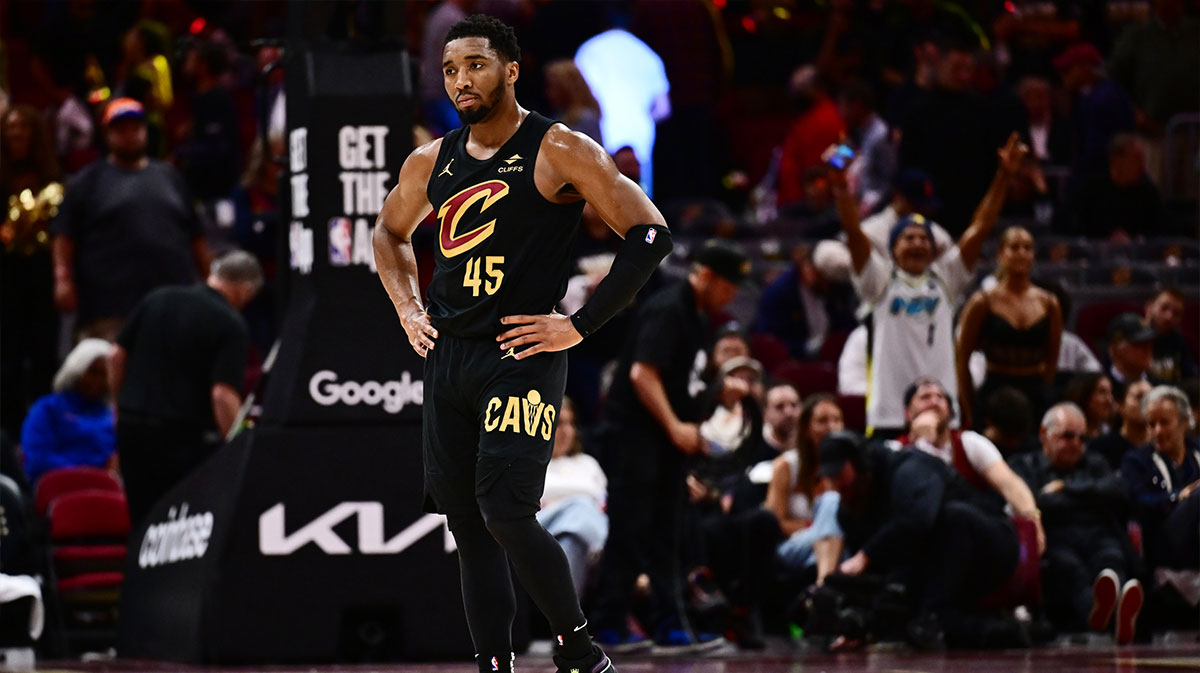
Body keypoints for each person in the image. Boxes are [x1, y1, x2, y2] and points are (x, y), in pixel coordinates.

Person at [371, 15, 673, 673]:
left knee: (506, 510)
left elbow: (650, 233)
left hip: (524, 351)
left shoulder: (559, 147)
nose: (460, 81)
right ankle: (495, 666)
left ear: (510, 69)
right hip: (450, 354)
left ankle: (579, 646)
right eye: (450, 69)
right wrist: (406, 305)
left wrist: (580, 324)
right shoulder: (432, 160)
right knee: (468, 527)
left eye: (475, 64)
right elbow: (388, 234)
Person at [586, 241, 744, 655]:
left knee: (665, 534)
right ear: (706, 275)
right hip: (634, 438)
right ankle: (607, 624)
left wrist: (717, 388)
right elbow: (642, 373)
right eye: (729, 287)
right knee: (630, 531)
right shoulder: (669, 307)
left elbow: (678, 377)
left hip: (659, 442)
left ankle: (669, 624)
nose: (732, 297)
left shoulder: (696, 314)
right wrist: (676, 427)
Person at [836, 133, 1027, 437]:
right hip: (889, 414)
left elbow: (981, 226)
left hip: (941, 413)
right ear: (892, 249)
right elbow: (854, 233)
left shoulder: (945, 278)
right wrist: (840, 186)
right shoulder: (879, 280)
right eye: (908, 238)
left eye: (924, 238)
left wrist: (1003, 176)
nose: (917, 244)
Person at [819, 430, 1026, 650]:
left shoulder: (910, 468)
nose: (836, 485)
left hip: (990, 547)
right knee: (907, 620)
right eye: (830, 477)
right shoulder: (850, 509)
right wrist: (865, 626)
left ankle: (932, 617)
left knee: (953, 517)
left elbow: (917, 520)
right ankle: (997, 630)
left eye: (840, 475)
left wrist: (866, 555)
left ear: (861, 465)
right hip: (939, 566)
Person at [109, 251, 261, 528]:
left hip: (132, 429)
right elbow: (222, 395)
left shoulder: (158, 297)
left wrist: (120, 405)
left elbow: (116, 356)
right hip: (181, 438)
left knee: (141, 522)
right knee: (178, 525)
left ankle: (137, 571)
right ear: (245, 289)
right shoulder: (230, 323)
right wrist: (238, 445)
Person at [51, 97, 208, 341]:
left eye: (136, 128)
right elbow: (64, 235)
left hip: (173, 300)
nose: (130, 135)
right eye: (121, 130)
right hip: (109, 308)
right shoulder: (88, 181)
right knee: (113, 375)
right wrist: (63, 279)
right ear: (106, 134)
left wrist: (209, 279)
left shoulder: (170, 176)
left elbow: (195, 235)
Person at [1008, 403, 1143, 643]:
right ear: (1044, 434)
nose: (1076, 444)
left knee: (1111, 562)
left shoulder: (1095, 462)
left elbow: (1118, 491)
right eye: (1067, 436)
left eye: (1082, 438)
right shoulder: (1024, 464)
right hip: (1055, 537)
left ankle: (1116, 613)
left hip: (1100, 534)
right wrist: (1089, 496)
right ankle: (1113, 621)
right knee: (1072, 570)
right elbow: (1038, 502)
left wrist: (1065, 489)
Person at [893, 377, 1045, 554]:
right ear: (907, 412)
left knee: (958, 515)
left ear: (950, 411)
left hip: (973, 537)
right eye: (925, 397)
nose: (934, 402)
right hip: (921, 539)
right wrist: (923, 443)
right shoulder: (894, 450)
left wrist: (1032, 519)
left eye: (940, 397)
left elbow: (1010, 484)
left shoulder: (970, 442)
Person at [956, 226, 1062, 428]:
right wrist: (970, 410)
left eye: (1027, 248)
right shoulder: (982, 302)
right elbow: (962, 360)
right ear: (1000, 254)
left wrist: (1044, 391)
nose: (1021, 253)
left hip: (1035, 393)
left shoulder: (1049, 303)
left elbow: (1052, 360)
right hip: (995, 392)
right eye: (1014, 247)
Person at [0, 105, 62, 436]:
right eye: (10, 127)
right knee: (6, 358)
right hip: (5, 279)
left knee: (43, 354)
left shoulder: (53, 179)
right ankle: (8, 434)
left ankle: (42, 429)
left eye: (23, 127)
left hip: (42, 276)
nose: (16, 133)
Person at [765, 394, 845, 583]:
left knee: (826, 553)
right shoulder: (786, 466)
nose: (831, 427)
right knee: (830, 500)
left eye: (837, 420)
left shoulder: (846, 468)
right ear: (807, 428)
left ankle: (818, 591)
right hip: (791, 546)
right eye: (822, 421)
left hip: (828, 547)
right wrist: (819, 527)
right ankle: (825, 583)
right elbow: (774, 523)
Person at [1121, 386, 1200, 571]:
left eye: (1164, 422)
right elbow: (1137, 502)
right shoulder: (1136, 460)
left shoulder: (1197, 451)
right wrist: (1179, 497)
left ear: (1184, 422)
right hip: (1162, 540)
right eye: (1151, 424)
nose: (1157, 431)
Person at [20, 339, 116, 485]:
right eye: (93, 372)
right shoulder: (48, 408)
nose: (98, 381)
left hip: (101, 489)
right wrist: (88, 470)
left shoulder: (110, 416)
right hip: (57, 487)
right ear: (77, 370)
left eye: (104, 375)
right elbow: (37, 460)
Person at [538, 398, 608, 598]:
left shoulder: (587, 463)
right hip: (538, 537)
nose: (567, 431)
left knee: (573, 540)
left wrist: (565, 497)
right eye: (559, 424)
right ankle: (603, 549)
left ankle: (566, 625)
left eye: (571, 423)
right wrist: (581, 496)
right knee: (580, 507)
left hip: (573, 543)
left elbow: (604, 503)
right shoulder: (526, 465)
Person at [1088, 380, 1152, 472]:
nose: (1146, 404)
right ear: (1121, 406)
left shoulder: (1162, 446)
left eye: (1151, 399)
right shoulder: (1101, 447)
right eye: (1139, 397)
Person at [1144, 288, 1197, 385]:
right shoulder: (1133, 339)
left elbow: (1192, 380)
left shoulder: (1179, 342)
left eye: (1176, 313)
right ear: (1149, 307)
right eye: (1164, 308)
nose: (1169, 317)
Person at [1105, 312, 1162, 395]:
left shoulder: (1161, 389)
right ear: (1114, 349)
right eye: (1139, 344)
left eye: (1149, 343)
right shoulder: (1102, 391)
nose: (1148, 349)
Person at [1063, 373, 1118, 439]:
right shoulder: (1065, 434)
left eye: (1110, 393)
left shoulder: (1110, 436)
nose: (1110, 400)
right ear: (1084, 395)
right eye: (1102, 392)